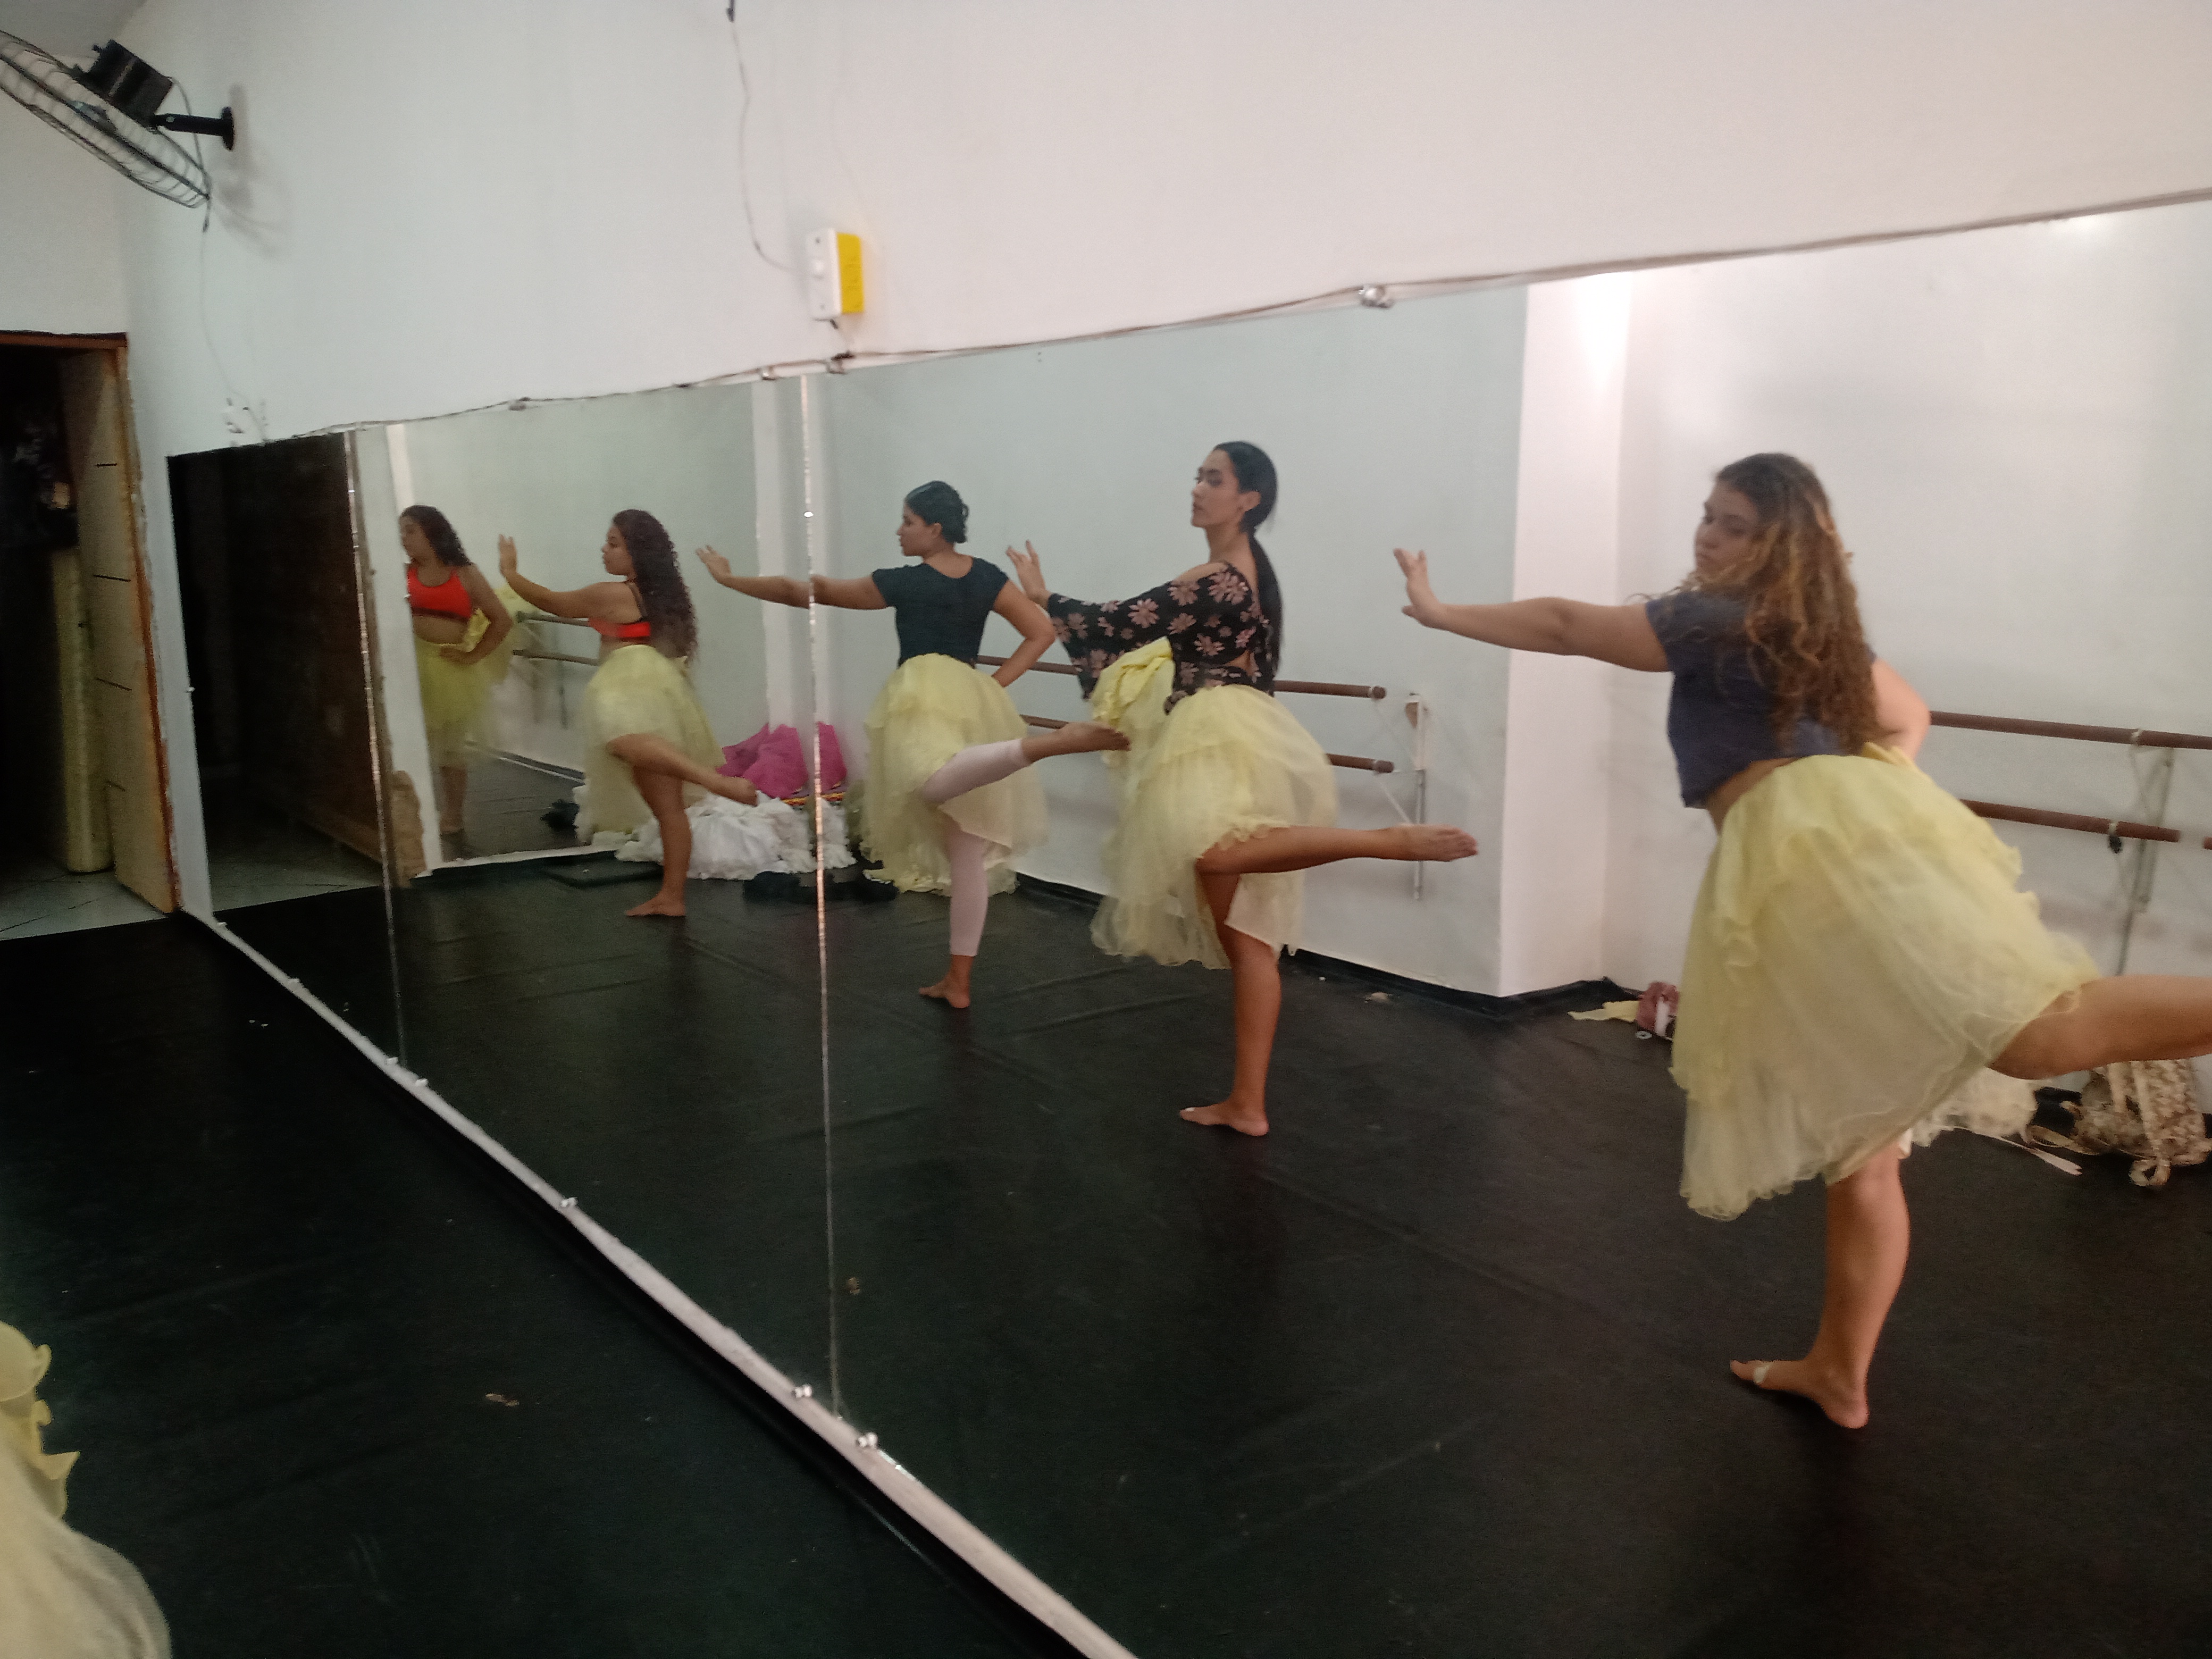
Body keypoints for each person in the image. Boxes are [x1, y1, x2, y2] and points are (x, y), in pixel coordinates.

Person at [1398, 450, 2212, 1427]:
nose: (1708, 535)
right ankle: (1839, 1373)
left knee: (2034, 1036)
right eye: (1708, 515)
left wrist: (1442, 612)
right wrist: (1863, 794)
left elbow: (1571, 627)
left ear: (1778, 542)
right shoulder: (1815, 630)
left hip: (1820, 856)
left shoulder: (1714, 618)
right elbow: (1909, 719)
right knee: (1861, 1144)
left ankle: (1839, 1370)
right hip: (1834, 847)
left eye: (1734, 523)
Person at [1015, 442, 1477, 1135]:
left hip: (1217, 732)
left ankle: (1382, 840)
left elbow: (1116, 624)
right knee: (1248, 941)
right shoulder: (1248, 576)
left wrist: (1044, 596)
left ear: (1248, 499)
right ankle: (1248, 1105)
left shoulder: (1221, 579)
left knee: (1211, 853)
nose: (1197, 488)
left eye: (1214, 479)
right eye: (1198, 476)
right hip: (1235, 729)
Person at [699, 481, 1126, 1006]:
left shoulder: (905, 582)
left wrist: (729, 580)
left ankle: (1044, 745)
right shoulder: (985, 576)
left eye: (907, 521)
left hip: (922, 694)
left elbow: (807, 591)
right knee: (965, 848)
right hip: (969, 697)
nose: (899, 531)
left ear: (934, 528)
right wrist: (992, 687)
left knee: (927, 785)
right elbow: (1040, 632)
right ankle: (958, 980)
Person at [500, 510, 756, 917]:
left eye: (614, 543)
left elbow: (554, 603)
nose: (605, 550)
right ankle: (672, 897)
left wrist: (510, 574)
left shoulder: (615, 594)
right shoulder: (665, 595)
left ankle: (713, 780)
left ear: (639, 552)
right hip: (661, 687)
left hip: (628, 679)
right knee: (667, 807)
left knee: (621, 742)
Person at [400, 505, 513, 836]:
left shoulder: (465, 574)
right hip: (409, 665)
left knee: (450, 747)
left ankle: (453, 813)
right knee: (409, 745)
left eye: (410, 530)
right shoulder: (402, 573)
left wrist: (473, 656)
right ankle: (411, 810)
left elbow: (501, 620)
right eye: (401, 531)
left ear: (432, 532)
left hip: (447, 669)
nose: (404, 538)